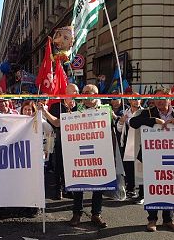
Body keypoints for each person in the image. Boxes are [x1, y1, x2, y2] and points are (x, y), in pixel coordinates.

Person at [129, 88, 174, 232]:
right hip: (151, 157)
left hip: (170, 158)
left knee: (169, 188)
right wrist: (154, 120)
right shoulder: (148, 112)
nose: (159, 101)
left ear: (169, 98)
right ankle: (152, 219)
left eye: (162, 98)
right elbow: (133, 122)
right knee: (153, 188)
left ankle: (168, 219)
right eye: (156, 99)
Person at [68, 84, 107, 228]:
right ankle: (77, 213)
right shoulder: (76, 109)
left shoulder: (105, 110)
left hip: (100, 151)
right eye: (82, 92)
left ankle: (96, 214)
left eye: (87, 92)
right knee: (79, 183)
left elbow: (112, 127)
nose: (83, 95)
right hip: (80, 150)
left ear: (95, 95)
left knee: (99, 184)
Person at [40, 83, 79, 200]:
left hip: (76, 141)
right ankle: (58, 189)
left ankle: (71, 189)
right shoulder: (57, 107)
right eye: (74, 91)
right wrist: (44, 111)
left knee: (73, 165)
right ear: (66, 93)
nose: (76, 94)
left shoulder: (80, 107)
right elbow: (56, 123)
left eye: (77, 91)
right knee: (59, 165)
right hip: (60, 140)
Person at [116, 92, 143, 199]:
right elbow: (118, 129)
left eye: (138, 99)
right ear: (130, 101)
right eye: (134, 99)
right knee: (128, 167)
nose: (136, 101)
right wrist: (122, 122)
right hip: (128, 143)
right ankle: (130, 189)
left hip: (140, 144)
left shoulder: (144, 112)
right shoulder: (125, 113)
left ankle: (141, 193)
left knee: (140, 168)